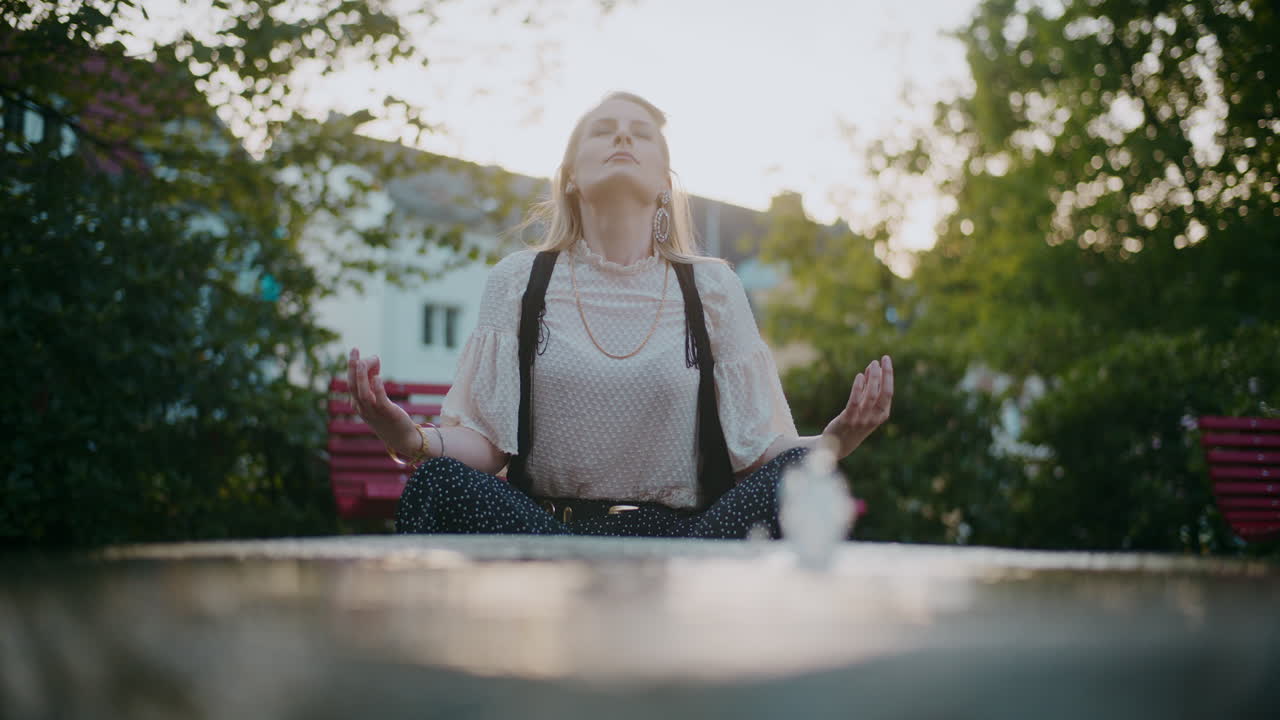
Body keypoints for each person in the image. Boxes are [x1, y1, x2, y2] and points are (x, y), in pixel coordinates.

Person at [347, 91, 894, 539]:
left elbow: (756, 452)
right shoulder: (519, 280)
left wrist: (835, 439)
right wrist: (408, 437)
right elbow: (487, 446)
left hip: (689, 541)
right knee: (438, 481)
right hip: (545, 536)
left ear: (664, 181)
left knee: (794, 475)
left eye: (641, 131)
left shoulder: (713, 287)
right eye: (603, 128)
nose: (624, 136)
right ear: (570, 177)